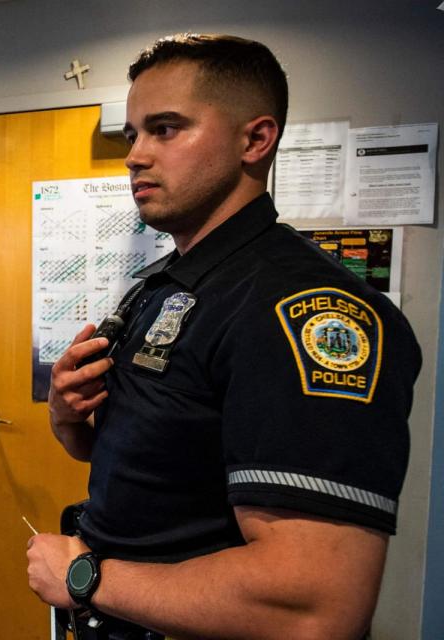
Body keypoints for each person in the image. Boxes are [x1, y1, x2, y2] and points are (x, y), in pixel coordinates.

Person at [26, 34, 421, 640]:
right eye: (133, 134)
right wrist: (69, 419)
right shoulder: (167, 284)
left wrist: (85, 578)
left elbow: (315, 607)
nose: (135, 155)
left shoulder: (300, 312)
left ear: (255, 140)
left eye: (166, 129)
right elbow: (167, 465)